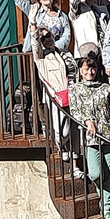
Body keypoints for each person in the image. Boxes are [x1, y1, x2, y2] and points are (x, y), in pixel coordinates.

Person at [68, 57, 110, 219]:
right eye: (86, 69)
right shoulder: (75, 89)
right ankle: (103, 197)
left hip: (108, 134)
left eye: (92, 69)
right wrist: (87, 121)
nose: (89, 72)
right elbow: (74, 111)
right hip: (91, 137)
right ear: (80, 71)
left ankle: (106, 207)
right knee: (95, 173)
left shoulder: (104, 87)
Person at [32, 26, 76, 164]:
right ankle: (62, 147)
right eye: (42, 38)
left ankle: (72, 156)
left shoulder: (62, 53)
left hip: (71, 94)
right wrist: (33, 23)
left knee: (72, 129)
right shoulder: (41, 58)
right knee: (62, 131)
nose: (46, 40)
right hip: (55, 97)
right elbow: (35, 46)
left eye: (48, 36)